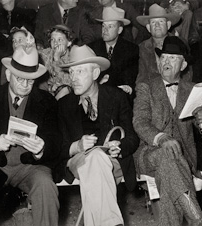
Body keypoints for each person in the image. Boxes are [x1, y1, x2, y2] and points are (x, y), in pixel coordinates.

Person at [54, 45, 139, 226]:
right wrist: (77, 145)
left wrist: (120, 146)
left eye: (80, 72)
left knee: (97, 160)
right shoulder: (64, 105)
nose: (74, 78)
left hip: (112, 162)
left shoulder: (116, 97)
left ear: (94, 74)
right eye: (71, 72)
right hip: (78, 161)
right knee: (94, 158)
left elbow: (132, 137)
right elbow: (56, 147)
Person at [0, 46, 61, 226]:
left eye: (30, 81)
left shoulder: (47, 101)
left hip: (29, 167)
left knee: (45, 186)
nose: (25, 85)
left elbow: (56, 140)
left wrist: (42, 149)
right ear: (8, 75)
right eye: (20, 79)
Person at [133, 36, 202, 226]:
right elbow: (140, 121)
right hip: (149, 153)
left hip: (183, 159)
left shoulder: (192, 90)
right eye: (163, 57)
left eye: (172, 58)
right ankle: (197, 218)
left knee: (169, 177)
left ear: (183, 65)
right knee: (166, 156)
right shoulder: (146, 87)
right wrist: (161, 138)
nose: (166, 61)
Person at [88, 6, 139, 105]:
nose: (105, 30)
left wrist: (106, 81)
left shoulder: (131, 50)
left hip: (120, 101)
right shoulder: (92, 48)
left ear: (119, 30)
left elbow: (128, 79)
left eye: (110, 26)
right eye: (103, 26)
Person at [135, 3, 183, 84]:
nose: (157, 25)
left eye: (161, 21)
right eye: (153, 22)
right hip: (150, 91)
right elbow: (141, 78)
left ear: (168, 25)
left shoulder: (180, 44)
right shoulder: (142, 48)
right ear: (148, 28)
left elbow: (187, 75)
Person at [38, 24, 75, 100]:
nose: (55, 43)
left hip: (65, 97)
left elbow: (68, 83)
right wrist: (50, 87)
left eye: (60, 40)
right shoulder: (45, 54)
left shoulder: (73, 58)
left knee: (66, 89)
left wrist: (57, 59)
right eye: (52, 40)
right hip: (46, 92)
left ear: (69, 43)